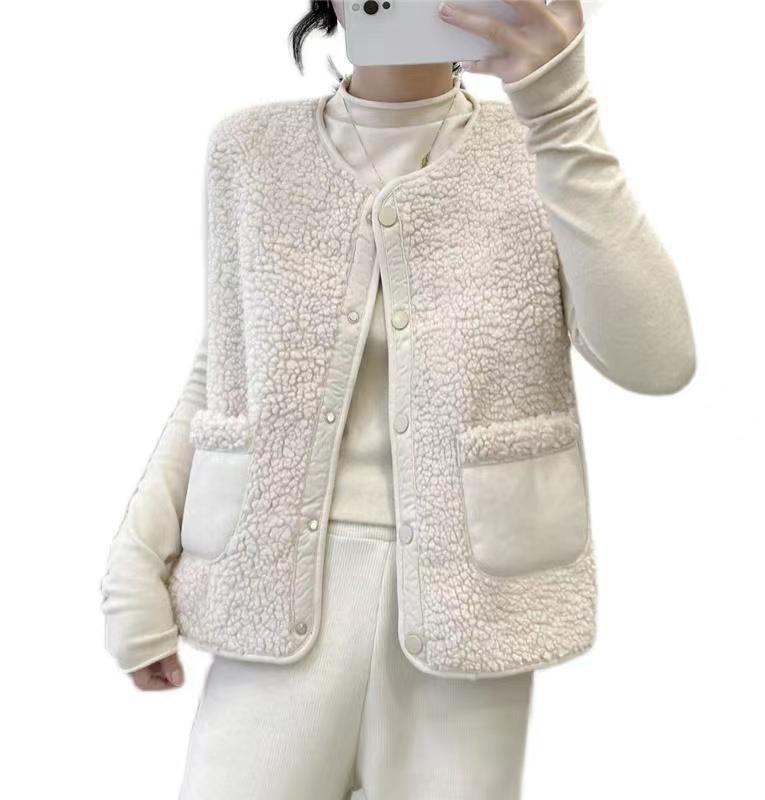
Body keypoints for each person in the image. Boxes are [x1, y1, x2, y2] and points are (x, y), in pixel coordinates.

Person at [100, 2, 697, 798]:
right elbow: (222, 373)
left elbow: (660, 361)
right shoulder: (250, 150)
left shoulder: (540, 147)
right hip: (270, 592)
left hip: (470, 605)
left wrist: (560, 110)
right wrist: (135, 560)